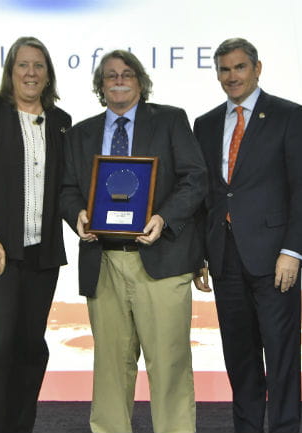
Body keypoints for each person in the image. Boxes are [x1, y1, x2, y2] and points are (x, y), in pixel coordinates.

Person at [59, 50, 207, 433]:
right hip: (103, 261)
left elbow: (195, 178)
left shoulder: (171, 121)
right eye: (110, 76)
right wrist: (77, 214)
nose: (119, 80)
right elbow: (66, 188)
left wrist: (164, 218)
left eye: (127, 74)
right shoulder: (80, 134)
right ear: (100, 86)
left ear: (140, 82)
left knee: (170, 364)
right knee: (110, 367)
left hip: (162, 258)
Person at [193, 38, 302, 433]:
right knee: (241, 360)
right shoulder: (207, 123)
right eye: (224, 70)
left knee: (281, 359)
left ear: (257, 68)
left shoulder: (288, 115)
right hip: (225, 259)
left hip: (274, 259)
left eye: (240, 68)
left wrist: (293, 251)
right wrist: (199, 255)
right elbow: (206, 195)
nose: (232, 76)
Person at [0, 36, 71, 433]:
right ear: (10, 71)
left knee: (29, 350)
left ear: (49, 74)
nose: (31, 73)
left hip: (41, 256)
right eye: (23, 65)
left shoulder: (60, 122)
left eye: (39, 66)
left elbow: (66, 188)